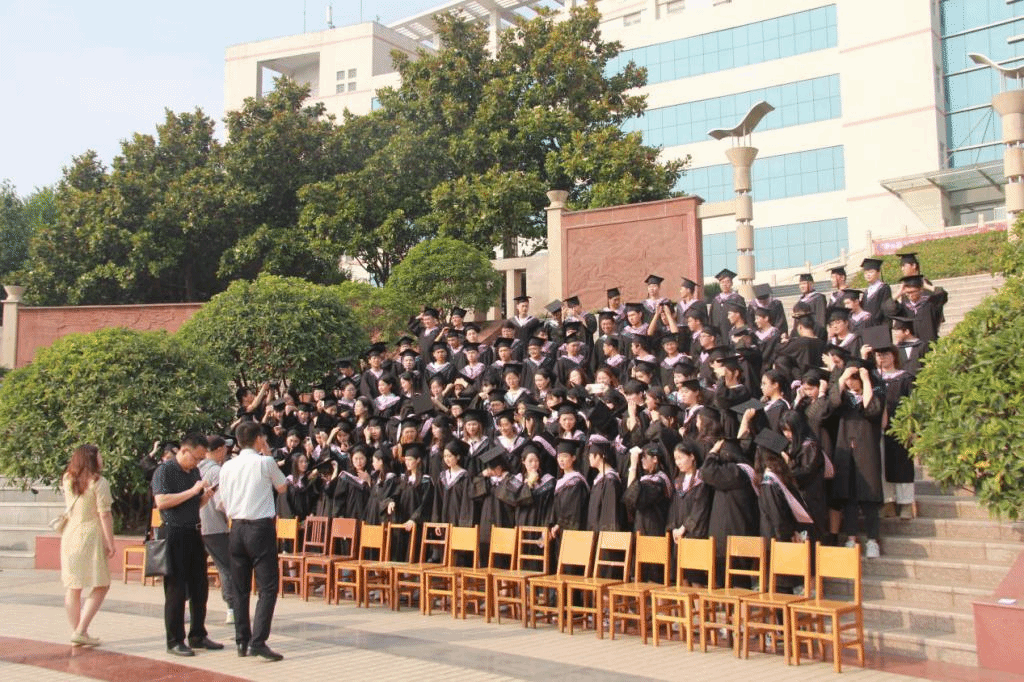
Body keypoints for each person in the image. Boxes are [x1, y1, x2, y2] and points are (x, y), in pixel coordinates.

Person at [219, 421, 288, 661]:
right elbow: (282, 487)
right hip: (260, 528)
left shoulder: (227, 466)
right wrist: (268, 455)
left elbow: (222, 502)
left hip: (236, 527)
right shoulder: (264, 462)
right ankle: (258, 641)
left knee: (240, 588)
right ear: (259, 439)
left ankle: (242, 640)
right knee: (267, 587)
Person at [152, 433, 222, 656]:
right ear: (183, 451)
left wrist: (205, 497)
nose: (198, 463)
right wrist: (192, 491)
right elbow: (162, 502)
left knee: (200, 586)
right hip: (174, 533)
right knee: (176, 589)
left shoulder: (193, 472)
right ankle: (174, 640)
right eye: (196, 458)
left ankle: (198, 634)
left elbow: (192, 504)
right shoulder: (164, 471)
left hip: (194, 531)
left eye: (202, 459)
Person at [60, 444, 115, 647]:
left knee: (73, 586)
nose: (102, 459)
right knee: (102, 583)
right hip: (90, 535)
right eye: (99, 455)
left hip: (70, 534)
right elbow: (104, 514)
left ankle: (78, 631)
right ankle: (81, 630)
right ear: (92, 459)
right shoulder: (99, 482)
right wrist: (110, 542)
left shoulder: (67, 478)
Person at [198, 436, 236, 626]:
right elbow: (221, 502)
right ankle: (232, 609)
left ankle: (189, 607)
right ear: (220, 449)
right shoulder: (216, 472)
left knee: (196, 569)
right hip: (214, 527)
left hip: (194, 526)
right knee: (226, 567)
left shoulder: (194, 468)